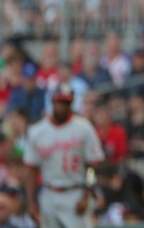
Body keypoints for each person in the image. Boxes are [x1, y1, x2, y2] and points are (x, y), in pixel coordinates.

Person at [23, 84, 105, 228]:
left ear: (72, 103)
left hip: (75, 192)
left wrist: (87, 195)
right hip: (48, 192)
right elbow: (31, 169)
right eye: (60, 101)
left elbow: (93, 166)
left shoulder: (84, 128)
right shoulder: (37, 131)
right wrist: (31, 202)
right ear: (53, 101)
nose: (63, 106)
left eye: (66, 102)